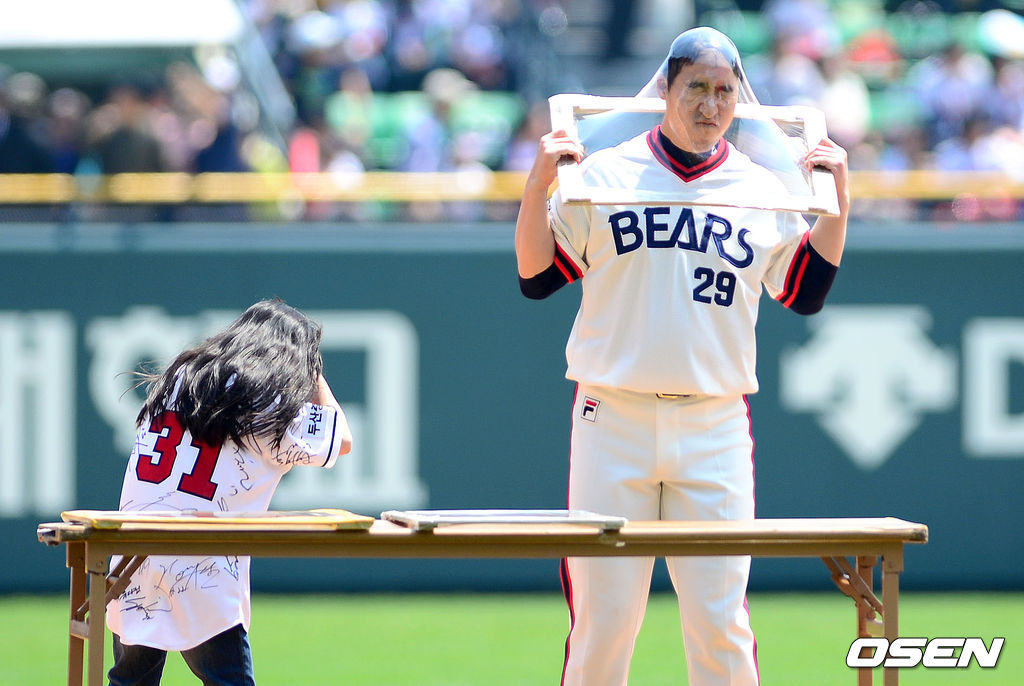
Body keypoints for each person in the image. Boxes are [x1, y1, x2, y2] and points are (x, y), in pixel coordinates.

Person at [514, 27, 849, 686]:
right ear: (665, 88)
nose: (711, 104)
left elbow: (805, 293)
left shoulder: (759, 186)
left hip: (714, 424)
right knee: (603, 624)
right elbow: (536, 277)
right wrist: (536, 187)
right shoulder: (606, 172)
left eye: (725, 90)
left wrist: (837, 207)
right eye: (697, 86)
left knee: (720, 624)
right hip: (612, 419)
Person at [105, 299, 353, 686]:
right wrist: (313, 367)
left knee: (130, 682)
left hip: (134, 551)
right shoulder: (265, 403)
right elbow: (342, 439)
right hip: (199, 564)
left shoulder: (182, 377)